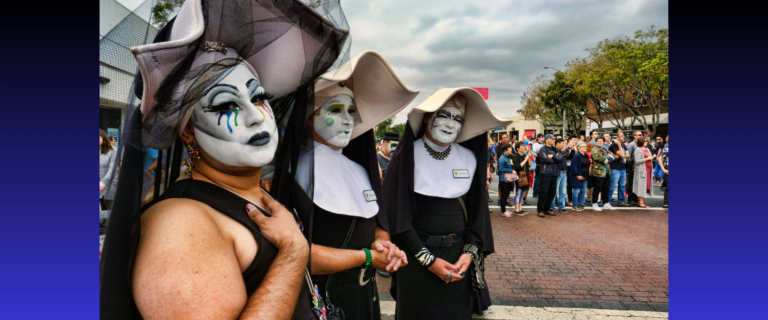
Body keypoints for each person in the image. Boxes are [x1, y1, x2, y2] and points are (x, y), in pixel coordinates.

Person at [98, 0, 351, 318]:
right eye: (225, 105)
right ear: (188, 132)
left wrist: (365, 257)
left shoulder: (251, 191)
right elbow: (289, 254)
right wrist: (293, 252)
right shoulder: (179, 226)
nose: (255, 117)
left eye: (258, 97)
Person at [296, 51, 416, 319]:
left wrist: (384, 245)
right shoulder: (293, 173)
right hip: (320, 302)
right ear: (308, 116)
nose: (349, 120)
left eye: (352, 111)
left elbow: (374, 224)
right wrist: (368, 257)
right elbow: (295, 256)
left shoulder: (361, 170)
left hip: (365, 297)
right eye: (336, 110)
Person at [383, 87, 510, 319]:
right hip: (416, 259)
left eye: (458, 118)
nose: (451, 124)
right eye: (444, 115)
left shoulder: (469, 157)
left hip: (458, 258)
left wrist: (469, 253)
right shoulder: (407, 157)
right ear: (427, 118)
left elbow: (477, 213)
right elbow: (396, 216)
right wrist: (428, 260)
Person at [536, 134, 562, 217]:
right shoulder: (542, 149)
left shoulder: (555, 149)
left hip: (554, 173)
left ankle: (547, 209)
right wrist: (555, 158)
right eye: (552, 139)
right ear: (547, 140)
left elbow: (560, 158)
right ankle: (540, 210)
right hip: (546, 173)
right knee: (543, 192)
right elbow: (544, 159)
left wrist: (553, 156)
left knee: (552, 193)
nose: (554, 140)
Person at [589, 137, 613, 211]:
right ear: (596, 142)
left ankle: (606, 203)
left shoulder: (605, 149)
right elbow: (599, 158)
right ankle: (594, 203)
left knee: (606, 188)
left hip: (606, 172)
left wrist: (607, 158)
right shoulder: (594, 150)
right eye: (598, 141)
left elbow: (613, 155)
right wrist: (607, 157)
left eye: (601, 141)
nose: (600, 142)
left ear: (603, 142)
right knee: (597, 189)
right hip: (598, 173)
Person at [608, 130, 630, 207]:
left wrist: (622, 155)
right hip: (615, 168)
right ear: (617, 137)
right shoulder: (613, 146)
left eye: (623, 135)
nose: (623, 137)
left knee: (622, 185)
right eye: (621, 136)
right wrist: (619, 146)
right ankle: (607, 200)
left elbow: (628, 155)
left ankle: (621, 201)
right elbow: (621, 154)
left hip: (622, 168)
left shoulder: (624, 145)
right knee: (613, 185)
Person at [632, 137, 656, 208]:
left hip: (648, 170)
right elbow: (637, 161)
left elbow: (649, 157)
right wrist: (648, 158)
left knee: (645, 186)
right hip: (641, 171)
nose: (646, 142)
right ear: (641, 142)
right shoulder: (638, 150)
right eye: (645, 141)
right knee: (640, 186)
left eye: (646, 141)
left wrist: (652, 157)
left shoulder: (647, 149)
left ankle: (640, 201)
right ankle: (641, 202)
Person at [99, 129, 118, 214]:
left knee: (109, 212)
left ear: (103, 137)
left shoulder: (113, 150)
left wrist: (103, 182)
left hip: (109, 186)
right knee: (102, 212)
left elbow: (112, 168)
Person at [511, 142, 531, 215]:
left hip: (526, 176)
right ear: (517, 148)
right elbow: (518, 167)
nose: (524, 147)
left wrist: (528, 158)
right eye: (522, 146)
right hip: (519, 176)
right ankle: (516, 209)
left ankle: (520, 208)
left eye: (524, 146)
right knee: (519, 192)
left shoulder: (525, 155)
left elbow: (529, 165)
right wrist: (525, 159)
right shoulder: (515, 156)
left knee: (523, 192)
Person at [549, 138, 568, 214]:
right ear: (557, 144)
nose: (564, 145)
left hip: (564, 172)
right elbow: (558, 159)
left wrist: (571, 149)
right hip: (558, 172)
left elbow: (570, 155)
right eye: (563, 143)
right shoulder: (555, 150)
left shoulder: (562, 152)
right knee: (554, 191)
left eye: (564, 144)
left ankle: (561, 207)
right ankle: (551, 207)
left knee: (563, 192)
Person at [497, 143, 515, 217]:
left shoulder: (508, 157)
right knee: (504, 195)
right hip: (503, 179)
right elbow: (501, 169)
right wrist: (511, 171)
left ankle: (504, 209)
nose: (511, 149)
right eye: (509, 148)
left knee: (507, 194)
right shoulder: (502, 158)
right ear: (505, 150)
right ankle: (503, 211)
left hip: (509, 178)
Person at [569, 141, 589, 211]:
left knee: (583, 190)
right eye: (583, 146)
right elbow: (574, 166)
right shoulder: (577, 155)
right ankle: (575, 205)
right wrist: (577, 175)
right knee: (576, 190)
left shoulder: (585, 155)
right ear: (579, 148)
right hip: (577, 175)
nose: (585, 148)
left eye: (585, 146)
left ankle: (581, 203)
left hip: (585, 175)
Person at [626, 130, 642, 205]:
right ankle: (631, 199)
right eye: (639, 135)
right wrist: (632, 166)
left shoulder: (640, 144)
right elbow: (628, 156)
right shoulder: (632, 145)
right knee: (632, 182)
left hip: (639, 166)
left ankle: (636, 199)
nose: (641, 136)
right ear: (634, 136)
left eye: (641, 134)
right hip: (633, 166)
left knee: (637, 183)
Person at [564, 137, 578, 205]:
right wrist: (572, 150)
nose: (575, 141)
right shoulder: (567, 148)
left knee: (575, 184)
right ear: (569, 141)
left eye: (576, 140)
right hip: (568, 167)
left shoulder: (578, 147)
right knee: (569, 184)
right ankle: (570, 199)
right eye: (573, 140)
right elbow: (568, 158)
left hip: (576, 167)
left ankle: (576, 199)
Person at [531, 133, 545, 197]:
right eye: (542, 136)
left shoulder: (545, 144)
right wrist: (540, 156)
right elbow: (533, 153)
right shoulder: (536, 145)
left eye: (544, 136)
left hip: (545, 163)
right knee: (538, 178)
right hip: (538, 163)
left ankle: (541, 191)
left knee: (543, 179)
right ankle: (536, 192)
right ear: (538, 138)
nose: (543, 138)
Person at [657, 135, 668, 209]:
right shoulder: (668, 146)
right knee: (668, 187)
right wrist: (664, 169)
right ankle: (666, 203)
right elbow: (659, 158)